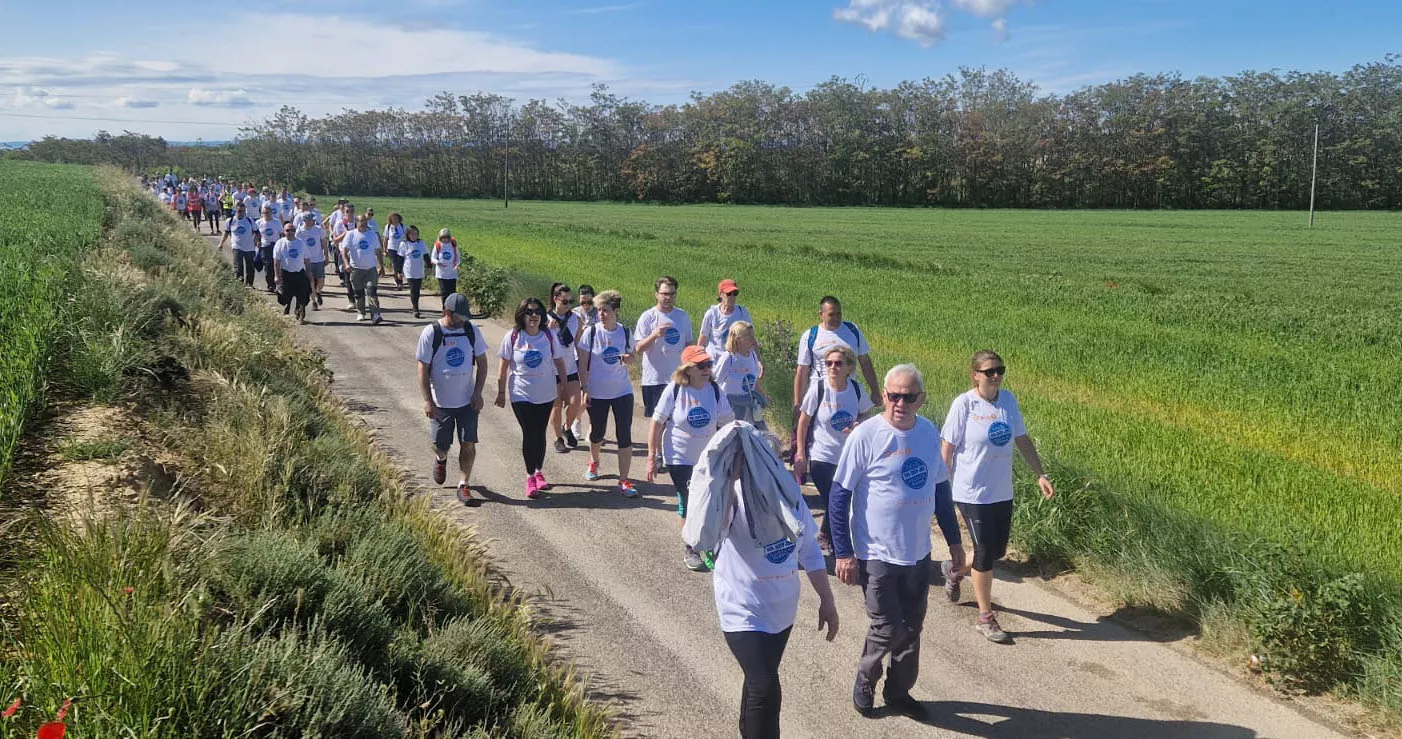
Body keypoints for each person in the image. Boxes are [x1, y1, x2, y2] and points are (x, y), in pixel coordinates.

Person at [829, 364, 962, 720]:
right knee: (887, 626)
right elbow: (839, 496)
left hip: (918, 553)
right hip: (876, 553)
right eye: (892, 395)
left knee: (912, 627)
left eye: (908, 396)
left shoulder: (928, 433)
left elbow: (941, 492)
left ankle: (899, 691)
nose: (899, 403)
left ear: (921, 399)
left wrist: (955, 544)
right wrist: (843, 552)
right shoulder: (866, 436)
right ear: (884, 395)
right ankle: (865, 679)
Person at [689, 431, 839, 739]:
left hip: (781, 614)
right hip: (741, 610)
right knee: (765, 686)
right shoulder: (729, 498)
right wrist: (728, 479)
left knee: (759, 681)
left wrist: (827, 600)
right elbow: (705, 533)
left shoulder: (789, 498)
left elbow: (809, 552)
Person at [941, 350, 1054, 643]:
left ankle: (954, 570)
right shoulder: (964, 404)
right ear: (975, 375)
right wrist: (941, 485)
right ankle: (985, 617)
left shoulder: (1008, 401)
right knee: (983, 553)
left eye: (1000, 370)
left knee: (995, 551)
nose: (996, 376)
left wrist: (1040, 474)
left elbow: (1022, 438)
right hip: (970, 490)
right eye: (989, 371)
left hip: (1001, 491)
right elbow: (948, 447)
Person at [647, 344, 735, 571]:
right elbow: (657, 422)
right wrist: (651, 456)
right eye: (701, 365)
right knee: (691, 500)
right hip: (679, 457)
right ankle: (692, 548)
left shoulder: (715, 390)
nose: (707, 369)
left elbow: (728, 423)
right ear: (688, 369)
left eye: (708, 364)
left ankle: (710, 544)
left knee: (711, 501)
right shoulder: (675, 390)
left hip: (708, 457)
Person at [793, 345, 874, 555]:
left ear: (849, 367)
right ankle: (837, 544)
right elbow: (803, 423)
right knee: (835, 499)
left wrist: (859, 424)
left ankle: (826, 535)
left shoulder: (856, 390)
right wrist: (801, 453)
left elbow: (867, 415)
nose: (832, 367)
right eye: (828, 363)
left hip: (848, 457)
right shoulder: (819, 389)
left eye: (838, 363)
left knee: (841, 500)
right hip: (822, 457)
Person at [417, 293, 489, 505]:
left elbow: (483, 364)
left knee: (468, 443)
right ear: (446, 312)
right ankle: (441, 459)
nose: (463, 321)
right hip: (441, 403)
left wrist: (478, 393)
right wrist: (427, 400)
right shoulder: (432, 333)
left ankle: (464, 485)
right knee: (441, 444)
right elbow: (423, 368)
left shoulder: (471, 331)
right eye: (460, 317)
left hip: (467, 402)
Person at [495, 297, 569, 499]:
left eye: (537, 312)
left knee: (540, 433)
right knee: (529, 433)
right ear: (522, 315)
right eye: (529, 312)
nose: (534, 315)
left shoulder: (549, 336)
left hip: (546, 393)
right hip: (521, 393)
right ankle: (530, 478)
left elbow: (560, 363)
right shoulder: (513, 336)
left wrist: (565, 387)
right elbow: (503, 366)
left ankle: (539, 471)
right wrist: (501, 392)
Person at [576, 289, 637, 496]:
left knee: (624, 434)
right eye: (599, 310)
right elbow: (582, 364)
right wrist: (585, 388)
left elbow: (633, 356)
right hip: (597, 392)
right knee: (597, 433)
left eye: (605, 310)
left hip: (622, 391)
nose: (601, 314)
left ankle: (624, 480)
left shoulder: (625, 332)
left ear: (616, 311)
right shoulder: (591, 333)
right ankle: (594, 461)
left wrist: (629, 358)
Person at [635, 276, 693, 473]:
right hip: (654, 377)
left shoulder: (683, 317)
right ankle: (657, 454)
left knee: (676, 418)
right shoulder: (648, 317)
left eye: (672, 294)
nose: (668, 298)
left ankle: (671, 454)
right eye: (664, 294)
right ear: (656, 294)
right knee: (658, 419)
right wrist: (654, 335)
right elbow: (638, 348)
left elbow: (688, 346)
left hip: (677, 377)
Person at [792, 296, 881, 417]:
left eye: (839, 313)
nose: (836, 318)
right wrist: (797, 402)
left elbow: (865, 362)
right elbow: (802, 371)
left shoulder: (852, 330)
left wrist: (875, 391)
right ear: (821, 314)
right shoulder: (811, 336)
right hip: (820, 394)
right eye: (831, 314)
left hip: (848, 393)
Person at [547, 283, 585, 453]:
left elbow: (578, 344)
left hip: (570, 368)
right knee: (556, 405)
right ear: (555, 299)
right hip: (551, 370)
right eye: (565, 301)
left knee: (576, 402)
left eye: (571, 301)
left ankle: (567, 427)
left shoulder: (575, 319)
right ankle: (558, 438)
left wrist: (583, 368)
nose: (568, 305)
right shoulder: (544, 320)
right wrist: (548, 331)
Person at [713, 321, 768, 427]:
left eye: (753, 336)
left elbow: (754, 380)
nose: (753, 340)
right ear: (737, 339)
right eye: (748, 337)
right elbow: (715, 382)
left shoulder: (752, 355)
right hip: (730, 406)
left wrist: (763, 395)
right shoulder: (729, 358)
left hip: (748, 403)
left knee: (757, 435)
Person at [339, 214, 386, 324]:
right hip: (356, 269)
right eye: (361, 221)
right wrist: (346, 264)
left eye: (365, 221)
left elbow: (378, 251)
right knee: (359, 293)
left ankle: (375, 314)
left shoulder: (372, 235)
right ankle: (361, 312)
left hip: (370, 269)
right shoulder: (351, 234)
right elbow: (344, 251)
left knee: (371, 291)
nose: (363, 223)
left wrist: (381, 266)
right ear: (357, 222)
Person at [569, 284, 597, 442]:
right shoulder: (574, 314)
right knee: (583, 394)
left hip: (596, 357)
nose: (586, 306)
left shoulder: (600, 313)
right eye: (583, 303)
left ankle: (593, 429)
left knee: (596, 394)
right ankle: (577, 421)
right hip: (579, 356)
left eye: (589, 302)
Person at [697, 278, 753, 358]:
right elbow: (702, 340)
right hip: (715, 364)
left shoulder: (742, 313)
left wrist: (758, 361)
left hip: (735, 363)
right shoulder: (712, 314)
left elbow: (751, 339)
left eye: (735, 293)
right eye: (729, 293)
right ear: (721, 294)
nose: (732, 297)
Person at [272, 221, 312, 324]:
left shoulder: (300, 243)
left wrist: (309, 273)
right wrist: (277, 275)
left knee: (303, 294)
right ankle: (287, 305)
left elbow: (307, 260)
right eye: (287, 230)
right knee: (284, 295)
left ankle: (300, 311)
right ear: (284, 232)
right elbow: (276, 261)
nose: (290, 232)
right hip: (286, 273)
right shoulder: (280, 243)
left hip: (299, 273)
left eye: (292, 230)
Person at [217, 201, 260, 286]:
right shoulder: (231, 221)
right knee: (238, 267)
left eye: (243, 211)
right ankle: (239, 285)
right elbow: (226, 233)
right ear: (235, 211)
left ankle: (249, 284)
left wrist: (255, 241)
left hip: (249, 248)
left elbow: (257, 232)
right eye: (239, 211)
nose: (241, 213)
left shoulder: (249, 220)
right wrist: (221, 243)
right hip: (237, 247)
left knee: (250, 268)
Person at [297, 212, 328, 310]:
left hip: (318, 258)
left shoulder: (318, 229)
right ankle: (314, 301)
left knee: (321, 280)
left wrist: (326, 256)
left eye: (313, 219)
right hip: (307, 261)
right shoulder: (300, 231)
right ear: (305, 220)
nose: (313, 221)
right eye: (310, 219)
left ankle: (318, 292)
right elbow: (298, 246)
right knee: (310, 282)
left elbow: (324, 243)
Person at [402, 225, 428, 318]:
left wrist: (429, 265)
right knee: (413, 289)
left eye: (416, 234)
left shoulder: (421, 243)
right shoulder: (404, 244)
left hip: (419, 270)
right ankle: (415, 309)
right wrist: (398, 271)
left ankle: (415, 306)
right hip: (409, 270)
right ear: (408, 235)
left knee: (417, 290)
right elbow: (400, 258)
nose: (414, 235)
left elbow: (426, 255)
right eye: (412, 234)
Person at [256, 204, 281, 293]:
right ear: (261, 213)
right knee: (268, 266)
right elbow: (256, 234)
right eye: (264, 213)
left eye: (268, 212)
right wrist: (257, 241)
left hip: (276, 246)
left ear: (271, 212)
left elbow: (281, 234)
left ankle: (278, 283)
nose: (266, 214)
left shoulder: (276, 222)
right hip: (264, 247)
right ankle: (270, 284)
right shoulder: (258, 223)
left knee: (277, 265)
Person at [432, 228, 460, 305]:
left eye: (447, 238)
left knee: (452, 292)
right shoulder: (438, 245)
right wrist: (438, 262)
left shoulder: (453, 244)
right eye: (443, 238)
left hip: (452, 272)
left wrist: (457, 264)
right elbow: (433, 258)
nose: (445, 240)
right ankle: (445, 310)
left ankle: (452, 310)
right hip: (441, 273)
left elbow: (458, 256)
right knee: (444, 292)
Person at [382, 212, 407, 289]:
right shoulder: (388, 227)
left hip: (401, 248)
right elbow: (385, 239)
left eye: (396, 218)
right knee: (395, 264)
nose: (395, 220)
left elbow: (408, 236)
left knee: (400, 264)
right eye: (393, 218)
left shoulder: (403, 227)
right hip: (392, 248)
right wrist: (384, 249)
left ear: (399, 219)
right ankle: (398, 281)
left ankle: (399, 276)